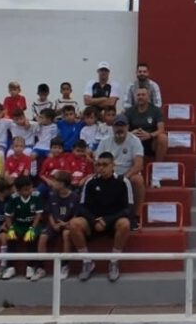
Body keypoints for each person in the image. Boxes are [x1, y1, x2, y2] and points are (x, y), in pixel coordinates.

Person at [69, 152, 133, 282]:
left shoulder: (123, 182)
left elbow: (128, 209)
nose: (101, 168)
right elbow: (82, 207)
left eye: (105, 165)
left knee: (125, 223)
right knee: (74, 223)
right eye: (98, 165)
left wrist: (106, 220)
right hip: (93, 221)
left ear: (113, 165)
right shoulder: (90, 182)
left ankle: (114, 261)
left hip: (113, 221)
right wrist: (94, 221)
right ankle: (87, 261)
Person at [96, 115, 145, 230]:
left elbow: (138, 164)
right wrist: (108, 175)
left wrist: (124, 178)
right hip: (108, 173)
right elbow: (97, 162)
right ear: (112, 127)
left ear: (127, 127)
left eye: (122, 126)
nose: (120, 128)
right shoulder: (105, 142)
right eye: (117, 126)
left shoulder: (134, 140)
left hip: (128, 173)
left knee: (138, 180)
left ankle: (136, 216)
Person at [2, 175, 44, 281]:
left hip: (32, 224)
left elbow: (38, 215)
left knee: (31, 238)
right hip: (18, 224)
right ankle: (11, 267)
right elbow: (7, 215)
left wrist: (32, 229)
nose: (28, 191)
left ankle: (30, 267)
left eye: (30, 188)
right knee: (10, 238)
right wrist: (11, 228)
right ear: (18, 190)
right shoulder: (14, 198)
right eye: (25, 190)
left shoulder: (36, 196)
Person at [39, 171, 77, 281]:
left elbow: (76, 215)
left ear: (62, 184)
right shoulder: (52, 195)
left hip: (67, 224)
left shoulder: (74, 197)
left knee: (66, 234)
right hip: (53, 224)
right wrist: (53, 224)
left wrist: (66, 224)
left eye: (55, 181)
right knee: (42, 237)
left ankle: (64, 266)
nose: (53, 183)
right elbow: (50, 213)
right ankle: (41, 267)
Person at [124, 87, 167, 160]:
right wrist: (131, 134)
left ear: (148, 96)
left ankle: (158, 166)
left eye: (143, 95)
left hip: (150, 142)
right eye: (138, 95)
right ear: (135, 97)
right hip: (134, 140)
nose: (140, 97)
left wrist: (149, 135)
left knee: (162, 138)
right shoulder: (129, 111)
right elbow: (124, 130)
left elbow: (161, 130)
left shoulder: (156, 110)